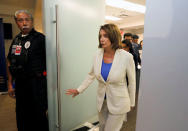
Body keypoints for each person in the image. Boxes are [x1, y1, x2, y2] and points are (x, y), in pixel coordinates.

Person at [66, 24, 136, 131]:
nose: (102, 39)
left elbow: (132, 81)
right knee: (102, 128)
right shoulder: (97, 54)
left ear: (114, 36)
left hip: (119, 103)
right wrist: (79, 90)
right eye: (100, 36)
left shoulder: (126, 57)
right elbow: (91, 75)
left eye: (105, 36)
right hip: (102, 102)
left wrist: (131, 102)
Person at [6, 10, 49, 131]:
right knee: (22, 116)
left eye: (27, 19)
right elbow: (9, 60)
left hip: (37, 86)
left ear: (31, 21)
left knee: (38, 118)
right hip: (20, 86)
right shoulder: (16, 40)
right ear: (16, 22)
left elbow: (52, 63)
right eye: (20, 20)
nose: (24, 23)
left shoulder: (41, 39)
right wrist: (10, 83)